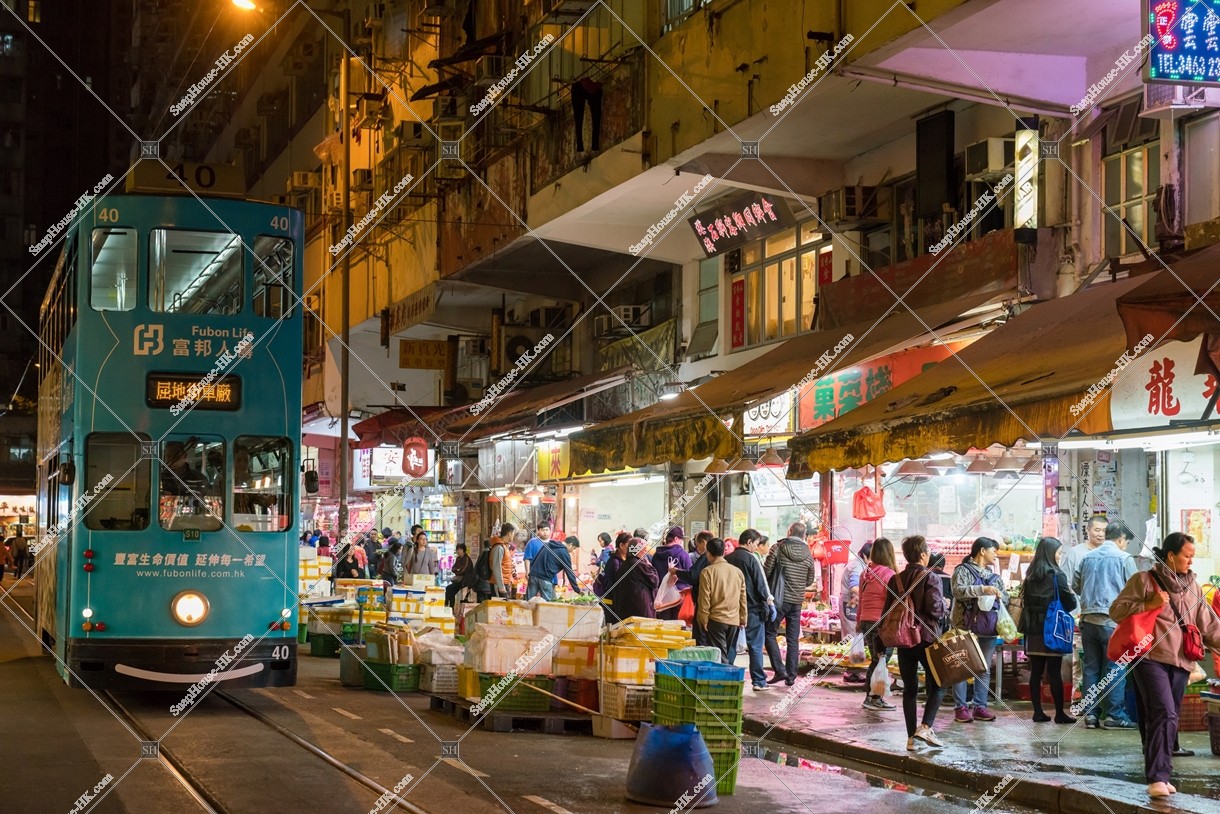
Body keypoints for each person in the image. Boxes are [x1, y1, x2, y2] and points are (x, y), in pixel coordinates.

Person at [1111, 532, 1220, 799]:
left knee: (1166, 716)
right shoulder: (1144, 580)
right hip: (1148, 657)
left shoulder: (1193, 586)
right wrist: (1148, 603)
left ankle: (1160, 773)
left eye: (1193, 556)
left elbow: (1207, 624)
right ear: (1171, 555)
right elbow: (1116, 610)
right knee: (1163, 711)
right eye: (1186, 556)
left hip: (1181, 660)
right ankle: (1158, 777)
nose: (1190, 561)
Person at [883, 535, 948, 751]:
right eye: (927, 551)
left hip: (903, 640)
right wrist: (944, 606)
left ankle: (911, 738)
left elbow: (886, 613)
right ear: (922, 554)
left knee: (910, 688)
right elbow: (935, 609)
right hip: (927, 639)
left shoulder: (896, 580)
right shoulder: (931, 577)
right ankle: (926, 727)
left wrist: (880, 646)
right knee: (939, 684)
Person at [1074, 521, 1138, 730]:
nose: (1125, 546)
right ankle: (1115, 716)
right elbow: (1137, 591)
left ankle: (1091, 715)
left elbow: (1076, 585)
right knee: (1115, 668)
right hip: (1113, 623)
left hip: (1088, 621)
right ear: (1120, 539)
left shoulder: (1087, 557)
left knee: (1091, 669)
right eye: (1126, 542)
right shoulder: (1124, 558)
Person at [1019, 537, 1077, 724]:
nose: (1059, 556)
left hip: (1033, 630)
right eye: (1058, 553)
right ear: (1051, 553)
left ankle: (1038, 712)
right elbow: (1069, 602)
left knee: (1036, 671)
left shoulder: (1029, 576)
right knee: (1054, 672)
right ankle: (1059, 713)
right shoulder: (1056, 576)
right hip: (1052, 629)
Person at [949, 537, 1008, 723]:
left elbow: (1005, 598)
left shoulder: (995, 577)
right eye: (993, 551)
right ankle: (961, 707)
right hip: (963, 626)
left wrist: (999, 596)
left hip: (988, 628)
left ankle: (980, 706)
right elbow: (957, 591)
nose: (995, 555)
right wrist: (982, 589)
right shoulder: (962, 570)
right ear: (982, 551)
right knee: (961, 666)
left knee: (983, 667)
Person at [763, 521, 817, 686]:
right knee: (793, 639)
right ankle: (791, 676)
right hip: (797, 601)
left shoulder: (777, 548)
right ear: (803, 535)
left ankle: (780, 670)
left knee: (769, 633)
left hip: (778, 600)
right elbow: (809, 579)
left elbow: (766, 571)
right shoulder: (808, 553)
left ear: (789, 531)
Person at [727, 529, 775, 691]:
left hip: (731, 610)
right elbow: (761, 585)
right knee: (755, 647)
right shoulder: (751, 560)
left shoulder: (727, 559)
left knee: (731, 645)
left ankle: (727, 678)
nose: (756, 547)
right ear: (748, 542)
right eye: (755, 544)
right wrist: (769, 603)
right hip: (752, 609)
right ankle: (759, 681)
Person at [860, 537, 897, 711]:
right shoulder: (889, 574)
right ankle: (873, 697)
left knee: (876, 659)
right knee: (880, 659)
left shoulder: (866, 573)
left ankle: (873, 696)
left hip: (867, 620)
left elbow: (861, 598)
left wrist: (859, 620)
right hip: (881, 622)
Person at [697, 537, 747, 665]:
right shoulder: (737, 572)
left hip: (716, 620)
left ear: (708, 553)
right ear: (724, 551)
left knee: (720, 656)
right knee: (727, 653)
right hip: (734, 620)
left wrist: (703, 620)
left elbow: (704, 599)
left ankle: (725, 680)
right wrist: (743, 618)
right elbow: (743, 597)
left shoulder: (707, 572)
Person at [602, 536, 659, 622]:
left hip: (627, 608)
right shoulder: (639, 564)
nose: (645, 552)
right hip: (639, 608)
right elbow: (655, 581)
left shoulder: (627, 563)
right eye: (643, 549)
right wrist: (649, 565)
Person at [672, 530, 712, 644]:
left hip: (704, 601)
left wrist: (676, 572)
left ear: (703, 542)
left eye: (697, 544)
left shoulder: (706, 556)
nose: (697, 547)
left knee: (701, 638)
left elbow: (692, 576)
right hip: (718, 606)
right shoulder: (725, 562)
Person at [840, 542, 872, 683]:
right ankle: (852, 671)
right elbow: (854, 587)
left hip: (855, 605)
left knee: (856, 638)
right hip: (850, 605)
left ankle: (855, 670)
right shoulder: (856, 566)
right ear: (864, 555)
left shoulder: (861, 564)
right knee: (853, 637)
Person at [525, 527, 584, 601]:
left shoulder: (549, 544)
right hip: (545, 579)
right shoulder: (564, 553)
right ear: (571, 545)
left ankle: (526, 613)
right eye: (574, 548)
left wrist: (531, 571)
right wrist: (577, 590)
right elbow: (569, 572)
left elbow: (535, 558)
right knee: (547, 606)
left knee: (528, 602)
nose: (572, 551)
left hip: (533, 576)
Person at [651, 526, 692, 621]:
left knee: (664, 624)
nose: (681, 542)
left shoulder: (657, 555)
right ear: (676, 538)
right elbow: (689, 575)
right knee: (678, 624)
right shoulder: (683, 554)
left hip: (662, 596)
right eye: (681, 539)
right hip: (680, 595)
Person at [478, 523, 515, 600]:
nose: (513, 536)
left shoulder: (504, 546)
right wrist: (501, 586)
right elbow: (496, 567)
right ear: (509, 534)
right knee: (500, 607)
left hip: (504, 582)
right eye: (513, 534)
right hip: (498, 584)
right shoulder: (499, 548)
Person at [927, 552, 953, 635]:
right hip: (944, 620)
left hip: (926, 621)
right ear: (943, 566)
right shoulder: (949, 578)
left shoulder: (922, 577)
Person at [445, 542, 475, 607]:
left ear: (463, 550)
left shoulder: (466, 559)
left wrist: (457, 571)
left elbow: (463, 570)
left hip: (465, 581)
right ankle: (450, 608)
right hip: (458, 580)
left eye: (459, 549)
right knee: (451, 592)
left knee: (448, 588)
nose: (458, 551)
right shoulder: (458, 558)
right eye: (457, 549)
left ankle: (446, 605)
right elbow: (453, 568)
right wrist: (457, 570)